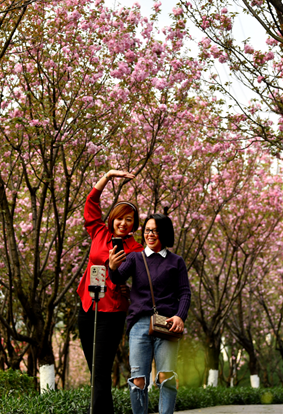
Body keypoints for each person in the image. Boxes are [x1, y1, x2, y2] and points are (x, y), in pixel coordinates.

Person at [108, 211, 191, 414]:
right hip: (139, 324)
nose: (150, 234)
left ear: (164, 233)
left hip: (167, 323)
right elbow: (118, 278)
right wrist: (112, 267)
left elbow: (184, 292)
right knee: (138, 379)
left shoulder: (176, 261)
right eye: (147, 230)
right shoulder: (135, 258)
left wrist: (180, 316)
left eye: (155, 230)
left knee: (166, 376)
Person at [77, 169, 143, 414]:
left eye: (129, 220)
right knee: (95, 371)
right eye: (119, 218)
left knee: (101, 369)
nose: (123, 223)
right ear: (112, 219)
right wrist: (107, 176)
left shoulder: (135, 250)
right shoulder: (99, 232)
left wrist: (116, 272)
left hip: (112, 312)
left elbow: (142, 281)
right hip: (87, 306)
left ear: (134, 225)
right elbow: (91, 202)